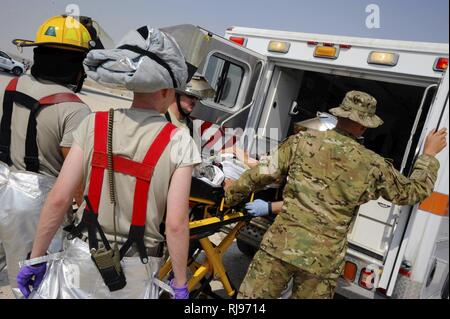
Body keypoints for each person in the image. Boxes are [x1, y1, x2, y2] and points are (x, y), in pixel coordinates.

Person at [15, 25, 207, 299]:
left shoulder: (94, 123)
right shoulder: (180, 141)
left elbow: (59, 198)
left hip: (80, 260)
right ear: (166, 90)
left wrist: (36, 259)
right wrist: (179, 282)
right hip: (135, 271)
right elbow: (176, 224)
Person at [225, 90, 447, 299]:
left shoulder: (302, 141)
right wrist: (428, 155)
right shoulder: (373, 165)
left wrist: (230, 195)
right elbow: (412, 192)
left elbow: (260, 174)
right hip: (322, 262)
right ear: (364, 127)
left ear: (338, 117)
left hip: (279, 247)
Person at [0, 15, 106, 296]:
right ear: (75, 64)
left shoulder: (14, 85)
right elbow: (76, 178)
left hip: (2, 182)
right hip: (34, 201)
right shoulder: (75, 109)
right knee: (34, 282)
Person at [165, 74, 215, 146]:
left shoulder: (191, 126)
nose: (194, 101)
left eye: (197, 98)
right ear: (177, 93)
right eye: (191, 96)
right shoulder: (161, 118)